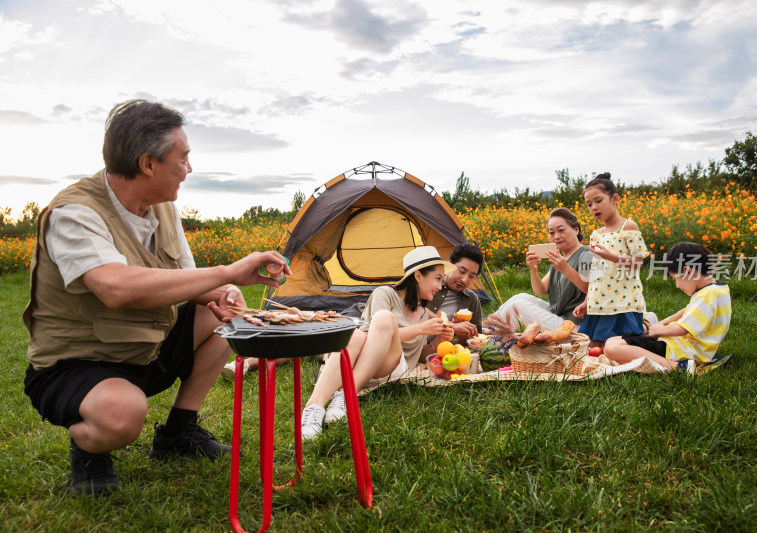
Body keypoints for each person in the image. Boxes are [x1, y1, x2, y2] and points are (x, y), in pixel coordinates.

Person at [22, 99, 291, 496]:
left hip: (146, 349)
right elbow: (115, 288)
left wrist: (229, 290)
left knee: (230, 316)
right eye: (183, 158)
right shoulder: (74, 212)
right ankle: (89, 447)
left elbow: (186, 280)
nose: (189, 168)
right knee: (123, 414)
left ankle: (178, 434)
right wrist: (228, 271)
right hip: (79, 361)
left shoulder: (163, 209)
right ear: (149, 164)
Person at [300, 246, 455, 440]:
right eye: (438, 279)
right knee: (358, 334)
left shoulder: (425, 316)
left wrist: (440, 339)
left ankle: (347, 396)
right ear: (418, 276)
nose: (440, 287)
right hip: (361, 359)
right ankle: (314, 408)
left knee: (381, 318)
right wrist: (421, 329)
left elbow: (421, 355)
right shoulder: (385, 294)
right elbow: (373, 335)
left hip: (392, 367)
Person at [603, 242, 732, 372]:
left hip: (681, 350)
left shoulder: (707, 295)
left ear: (687, 271)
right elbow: (688, 311)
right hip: (681, 346)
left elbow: (681, 329)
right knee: (612, 341)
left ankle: (676, 367)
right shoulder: (717, 290)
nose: (677, 285)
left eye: (675, 278)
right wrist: (663, 323)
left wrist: (659, 331)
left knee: (612, 348)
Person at [574, 173, 650, 348]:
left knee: (619, 347)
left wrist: (612, 257)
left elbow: (638, 262)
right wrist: (587, 301)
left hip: (623, 302)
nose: (594, 207)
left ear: (615, 198)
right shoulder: (596, 234)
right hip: (599, 302)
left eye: (598, 201)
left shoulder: (628, 227)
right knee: (591, 348)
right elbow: (596, 272)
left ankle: (648, 327)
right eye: (589, 204)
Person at [494, 208, 592, 331]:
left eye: (561, 230)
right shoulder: (560, 260)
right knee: (521, 297)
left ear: (576, 229)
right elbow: (540, 290)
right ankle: (487, 327)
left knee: (518, 306)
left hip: (574, 325)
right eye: (551, 233)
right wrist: (533, 269)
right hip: (559, 316)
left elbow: (592, 289)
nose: (556, 236)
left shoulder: (586, 253)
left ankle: (488, 334)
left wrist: (565, 269)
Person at [426, 243, 485, 344]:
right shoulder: (428, 284)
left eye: (471, 276)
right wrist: (451, 325)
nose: (464, 280)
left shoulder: (471, 299)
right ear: (448, 264)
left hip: (440, 351)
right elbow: (416, 309)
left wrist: (462, 332)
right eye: (462, 271)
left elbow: (473, 341)